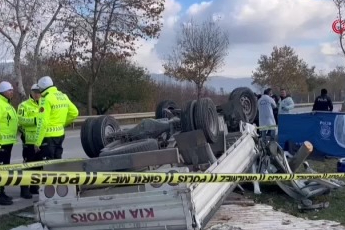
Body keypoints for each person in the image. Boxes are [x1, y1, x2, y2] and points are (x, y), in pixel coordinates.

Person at [33, 76, 79, 159]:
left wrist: (37, 142)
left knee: (48, 165)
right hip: (60, 134)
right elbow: (74, 113)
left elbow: (42, 122)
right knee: (57, 162)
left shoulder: (45, 99)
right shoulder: (63, 96)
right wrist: (62, 124)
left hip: (48, 137)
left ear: (42, 87)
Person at [17, 84, 41, 199]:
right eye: (35, 92)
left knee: (38, 166)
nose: (37, 94)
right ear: (31, 92)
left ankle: (34, 186)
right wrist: (36, 120)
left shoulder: (44, 104)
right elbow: (21, 120)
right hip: (29, 141)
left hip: (40, 140)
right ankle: (24, 189)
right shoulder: (24, 105)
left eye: (39, 92)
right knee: (27, 166)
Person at [0, 81, 18, 205]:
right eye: (9, 90)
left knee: (4, 169)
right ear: (3, 91)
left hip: (8, 142)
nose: (12, 92)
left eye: (12, 90)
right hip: (1, 143)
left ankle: (2, 192)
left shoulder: (9, 105)